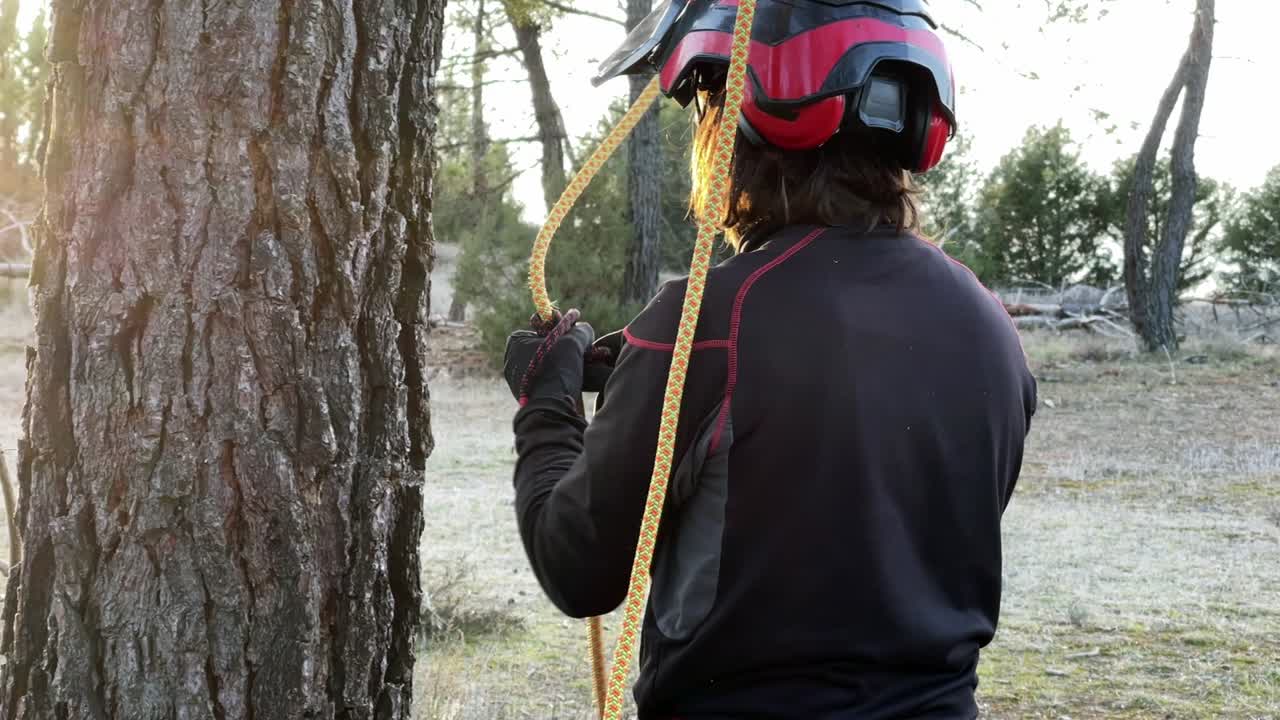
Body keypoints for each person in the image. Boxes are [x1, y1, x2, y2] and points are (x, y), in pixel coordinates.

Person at [502, 1, 1037, 718]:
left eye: (707, 107)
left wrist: (545, 406)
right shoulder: (986, 325)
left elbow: (577, 568)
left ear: (742, 118)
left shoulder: (709, 321)